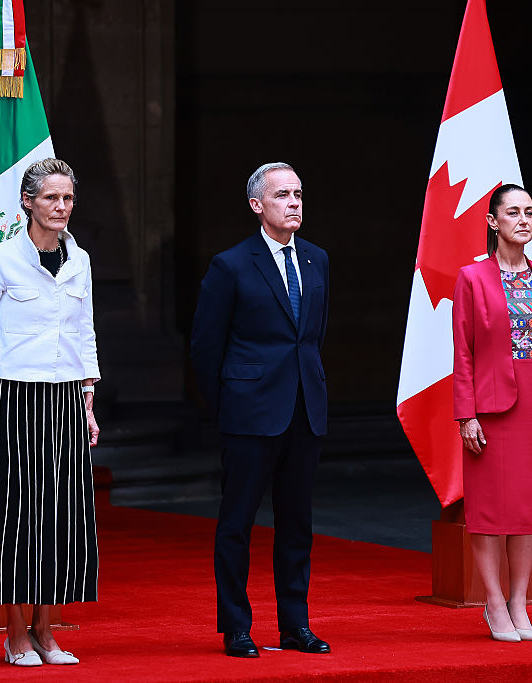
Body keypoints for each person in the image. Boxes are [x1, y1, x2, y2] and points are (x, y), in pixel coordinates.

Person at [190, 162, 330, 658]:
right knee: (237, 523)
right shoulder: (231, 265)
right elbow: (206, 347)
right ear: (257, 206)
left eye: (298, 194)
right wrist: (227, 405)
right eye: (282, 196)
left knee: (297, 525)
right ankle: (236, 627)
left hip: (303, 410)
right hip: (249, 413)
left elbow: (311, 338)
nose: (294, 203)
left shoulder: (317, 260)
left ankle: (296, 625)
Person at [0, 158, 101, 666]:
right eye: (51, 198)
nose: (61, 207)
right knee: (15, 514)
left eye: (67, 198)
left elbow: (85, 332)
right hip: (13, 396)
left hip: (65, 397)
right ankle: (15, 632)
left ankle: (47, 630)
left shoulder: (80, 259)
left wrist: (88, 402)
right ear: (28, 201)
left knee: (62, 515)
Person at [452, 184, 532, 642]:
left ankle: (520, 601)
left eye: (530, 211)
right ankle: (493, 602)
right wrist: (466, 415)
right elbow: (462, 354)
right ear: (492, 221)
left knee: (527, 509)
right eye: (513, 213)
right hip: (489, 408)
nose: (523, 220)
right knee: (488, 510)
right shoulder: (472, 278)